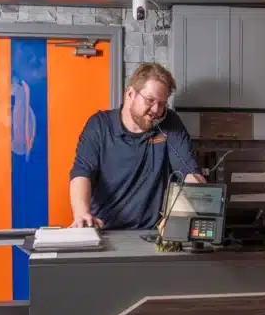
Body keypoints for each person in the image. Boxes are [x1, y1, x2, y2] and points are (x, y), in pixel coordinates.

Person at [69, 62, 205, 230]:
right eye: (150, 100)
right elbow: (82, 172)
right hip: (106, 230)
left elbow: (189, 172)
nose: (156, 110)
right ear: (130, 94)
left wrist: (201, 200)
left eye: (162, 104)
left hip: (152, 233)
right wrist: (81, 213)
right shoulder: (99, 125)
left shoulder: (170, 123)